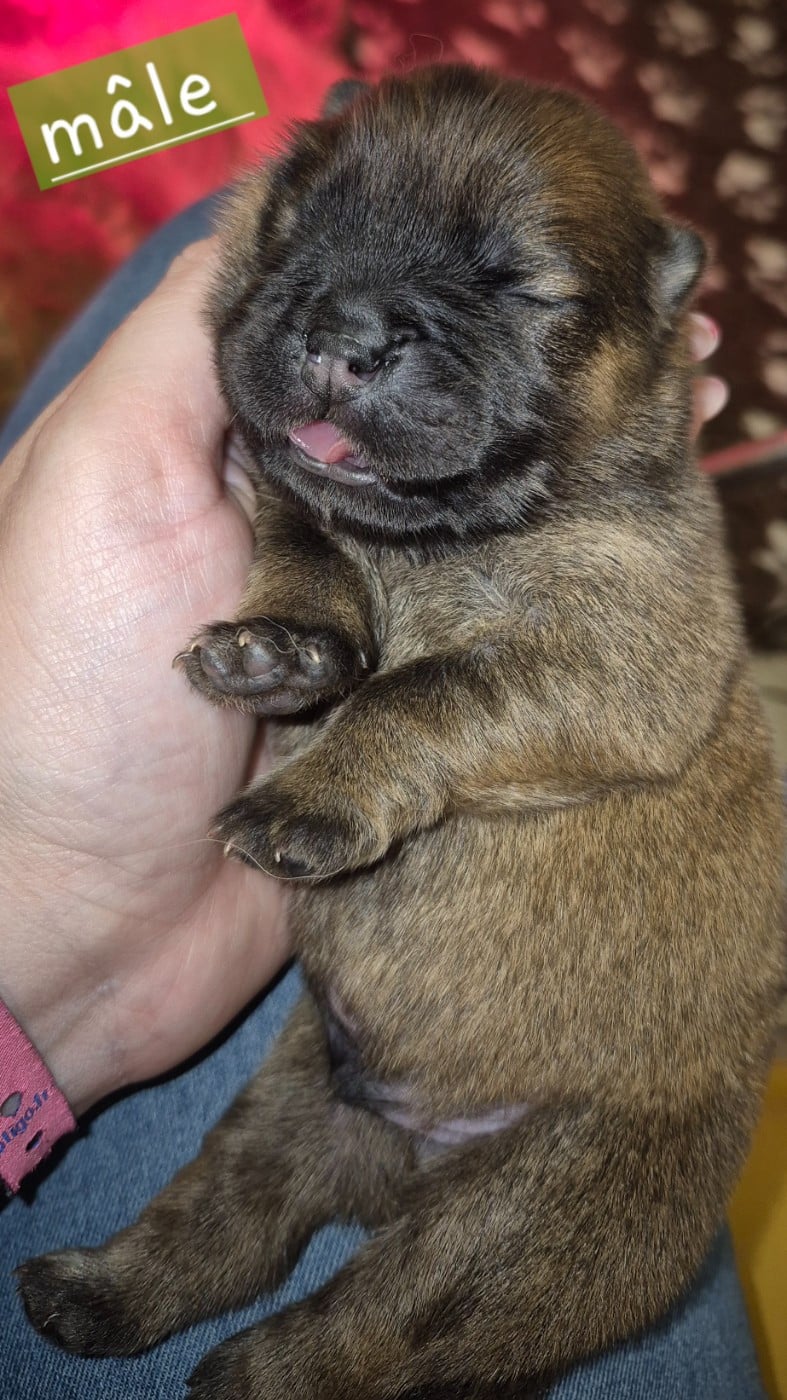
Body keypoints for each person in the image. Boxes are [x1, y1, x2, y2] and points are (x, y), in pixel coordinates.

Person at [0, 197, 761, 1399]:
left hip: (610, 1083)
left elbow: (620, 693)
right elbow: (310, 533)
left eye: (518, 295)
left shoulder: (626, 531)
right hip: (348, 1021)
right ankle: (148, 1277)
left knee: (541, 1253)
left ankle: (322, 1365)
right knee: (274, 1139)